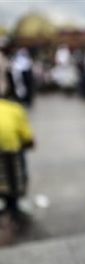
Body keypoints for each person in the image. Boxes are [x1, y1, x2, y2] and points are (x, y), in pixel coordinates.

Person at [0, 77, 35, 216]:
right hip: (10, 150)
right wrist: (30, 143)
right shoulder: (15, 108)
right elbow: (26, 137)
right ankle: (14, 202)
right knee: (18, 160)